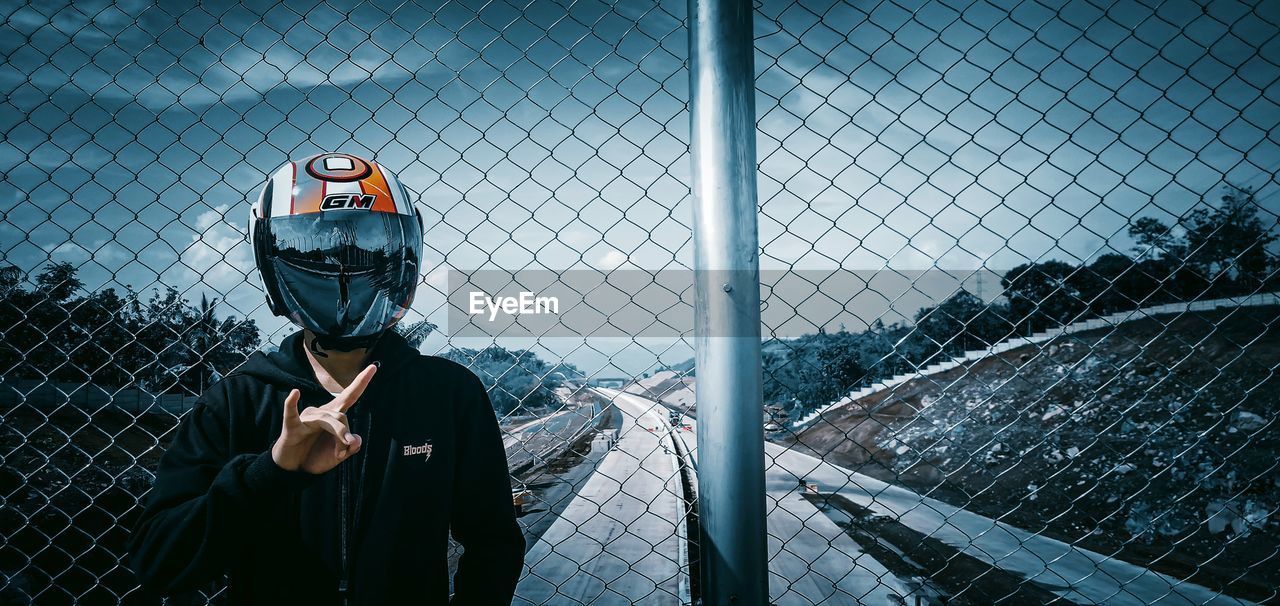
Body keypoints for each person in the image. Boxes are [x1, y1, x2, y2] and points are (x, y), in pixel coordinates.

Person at [127, 153, 525, 605]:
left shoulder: (448, 394)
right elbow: (159, 561)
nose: (344, 269)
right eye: (318, 250)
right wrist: (270, 472)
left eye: (367, 247)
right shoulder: (238, 400)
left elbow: (494, 541)